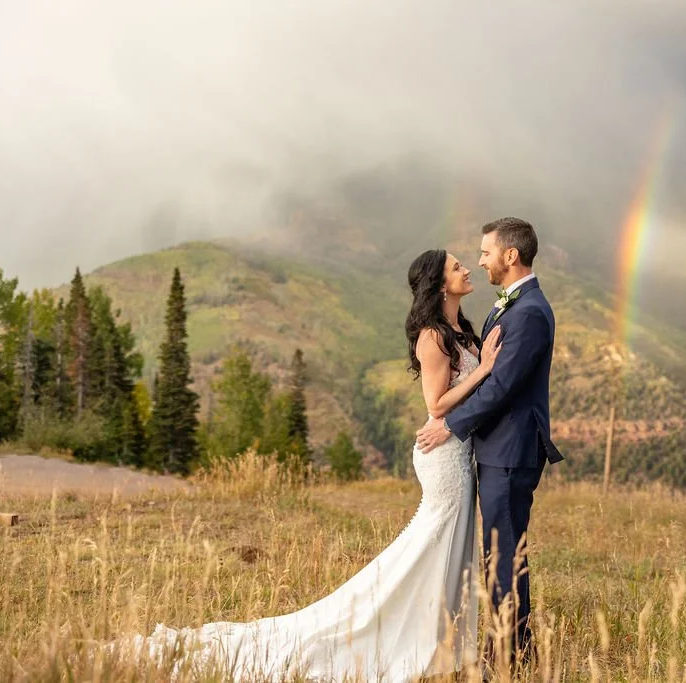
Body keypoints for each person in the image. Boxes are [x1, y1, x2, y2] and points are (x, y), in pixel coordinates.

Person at [124, 248, 501, 682]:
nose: (466, 268)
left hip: (459, 447)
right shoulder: (433, 337)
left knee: (449, 546)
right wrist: (484, 368)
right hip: (444, 456)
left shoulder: (464, 330)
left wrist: (485, 363)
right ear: (438, 283)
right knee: (433, 545)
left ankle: (442, 642)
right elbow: (435, 404)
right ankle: (404, 637)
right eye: (456, 266)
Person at [416, 216, 563, 670]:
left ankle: (510, 657)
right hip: (495, 450)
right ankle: (508, 648)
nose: (480, 261)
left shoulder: (531, 312)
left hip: (512, 451)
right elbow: (485, 379)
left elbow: (502, 388)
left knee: (504, 555)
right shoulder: (508, 307)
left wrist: (451, 425)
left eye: (485, 253)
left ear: (510, 255)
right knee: (497, 553)